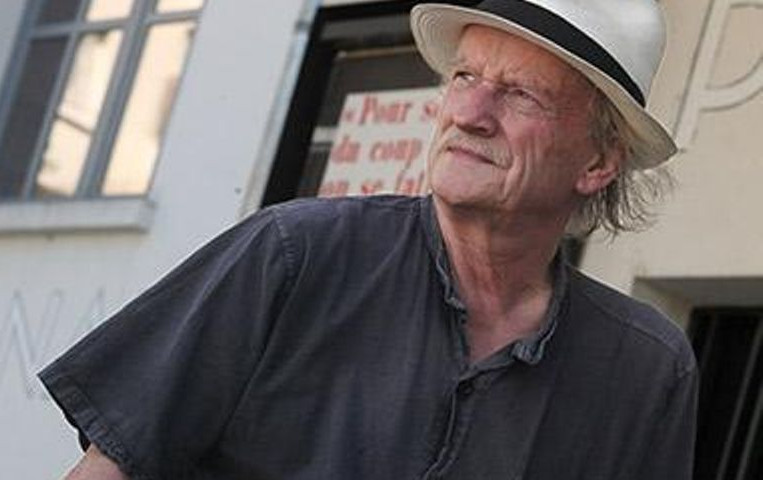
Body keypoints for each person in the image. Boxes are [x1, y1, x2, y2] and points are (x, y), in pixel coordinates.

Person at [40, 1, 698, 479]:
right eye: (464, 77)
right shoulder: (293, 255)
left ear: (597, 161)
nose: (468, 114)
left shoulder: (644, 370)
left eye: (520, 94)